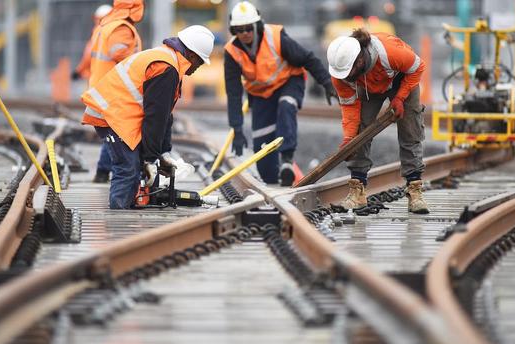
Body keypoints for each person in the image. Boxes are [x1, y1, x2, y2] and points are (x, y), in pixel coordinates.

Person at [81, 25, 214, 209]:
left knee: (133, 167)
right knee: (127, 169)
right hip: (112, 115)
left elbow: (165, 115)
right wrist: (150, 159)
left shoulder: (169, 61)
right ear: (192, 55)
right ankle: (119, 217)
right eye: (199, 62)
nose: (198, 68)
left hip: (119, 114)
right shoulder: (166, 68)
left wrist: (162, 152)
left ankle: (126, 207)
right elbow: (155, 118)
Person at [224, 1, 338, 186]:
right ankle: (277, 175)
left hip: (289, 83)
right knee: (266, 169)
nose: (244, 33)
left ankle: (287, 159)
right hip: (261, 95)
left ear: (256, 25)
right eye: (238, 29)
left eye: (247, 28)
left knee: (286, 105)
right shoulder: (231, 52)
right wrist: (236, 129)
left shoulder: (276, 37)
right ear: (233, 30)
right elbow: (234, 93)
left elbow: (308, 58)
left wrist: (326, 82)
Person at [326, 28, 429, 214]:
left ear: (359, 60)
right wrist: (349, 140)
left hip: (401, 79)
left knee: (410, 129)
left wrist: (400, 98)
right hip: (368, 86)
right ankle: (357, 192)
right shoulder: (341, 75)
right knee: (359, 131)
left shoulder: (390, 52)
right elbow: (350, 109)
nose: (346, 77)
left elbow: (418, 67)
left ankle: (415, 191)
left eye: (349, 73)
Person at [84, 0, 144, 184]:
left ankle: (103, 172)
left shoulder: (107, 25)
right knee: (118, 133)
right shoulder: (121, 28)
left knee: (113, 133)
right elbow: (120, 55)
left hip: (103, 87)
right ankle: (107, 175)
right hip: (113, 91)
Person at [71, 4, 113, 82]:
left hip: (98, 79)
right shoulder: (116, 31)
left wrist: (78, 71)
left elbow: (88, 55)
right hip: (110, 79)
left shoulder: (98, 33)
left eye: (98, 19)